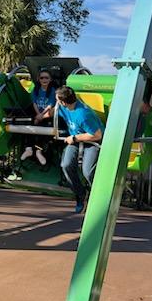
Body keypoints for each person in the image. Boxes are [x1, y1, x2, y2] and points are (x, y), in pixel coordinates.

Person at [55, 85, 105, 213]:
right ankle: (80, 194)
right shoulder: (63, 107)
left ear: (63, 102)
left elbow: (97, 134)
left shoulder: (83, 114)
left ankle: (98, 198)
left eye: (57, 100)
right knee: (66, 165)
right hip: (76, 138)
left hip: (92, 141)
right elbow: (52, 112)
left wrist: (75, 138)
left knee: (87, 172)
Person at [21, 69, 56, 166]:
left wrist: (41, 115)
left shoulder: (52, 91)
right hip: (37, 114)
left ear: (50, 79)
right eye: (42, 78)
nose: (44, 79)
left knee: (44, 129)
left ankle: (38, 151)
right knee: (29, 125)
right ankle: (28, 149)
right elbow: (34, 103)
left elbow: (50, 105)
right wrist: (37, 115)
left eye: (46, 77)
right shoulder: (35, 89)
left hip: (47, 115)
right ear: (38, 79)